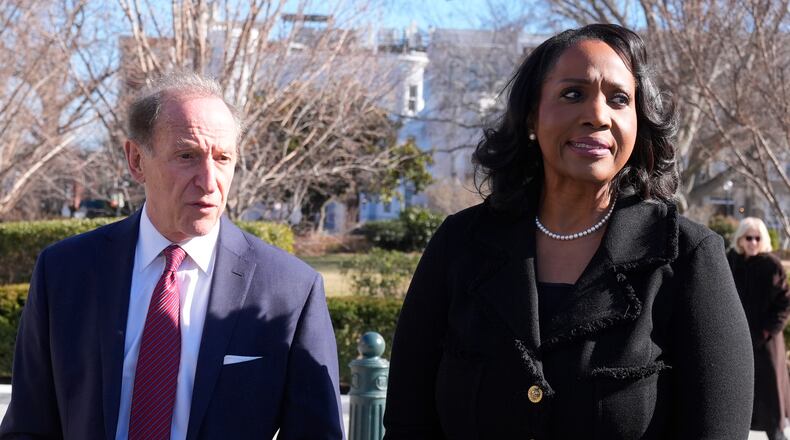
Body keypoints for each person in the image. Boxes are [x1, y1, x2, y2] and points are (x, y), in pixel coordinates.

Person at [383, 24, 754, 439]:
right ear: (530, 118)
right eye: (573, 94)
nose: (597, 115)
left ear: (638, 123)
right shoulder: (459, 244)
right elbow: (407, 421)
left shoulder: (687, 257)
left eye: (619, 99)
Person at [0, 73, 344, 439]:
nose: (209, 180)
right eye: (187, 156)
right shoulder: (65, 271)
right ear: (136, 160)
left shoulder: (289, 290)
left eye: (223, 158)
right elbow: (29, 426)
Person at [728, 217, 790, 440]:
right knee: (737, 399)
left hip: (766, 343)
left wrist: (765, 332)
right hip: (736, 340)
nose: (753, 242)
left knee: (771, 397)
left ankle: (777, 434)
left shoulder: (772, 265)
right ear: (740, 239)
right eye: (748, 237)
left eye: (758, 238)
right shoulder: (730, 262)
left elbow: (784, 303)